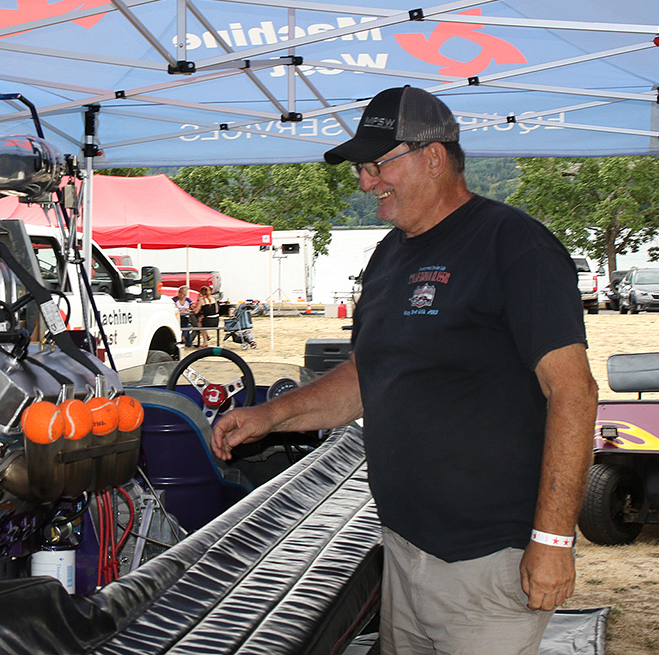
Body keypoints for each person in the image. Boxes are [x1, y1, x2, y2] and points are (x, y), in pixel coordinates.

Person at [211, 85, 598, 655]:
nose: (366, 182)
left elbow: (574, 392)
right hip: (403, 545)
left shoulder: (513, 244)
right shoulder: (390, 254)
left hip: (487, 558)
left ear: (434, 156)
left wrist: (552, 538)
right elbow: (369, 376)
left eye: (375, 165)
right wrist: (271, 415)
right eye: (362, 169)